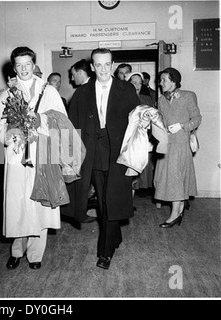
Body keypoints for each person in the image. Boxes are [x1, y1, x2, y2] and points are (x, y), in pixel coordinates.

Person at [0, 46, 67, 270]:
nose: (23, 69)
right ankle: (17, 249)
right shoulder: (6, 94)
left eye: (27, 64)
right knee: (18, 203)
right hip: (16, 153)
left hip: (42, 152)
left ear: (34, 65)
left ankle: (36, 254)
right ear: (13, 67)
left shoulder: (49, 91)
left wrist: (39, 120)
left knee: (39, 204)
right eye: (19, 65)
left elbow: (62, 121)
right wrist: (7, 135)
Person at [65, 48, 140, 270]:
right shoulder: (82, 93)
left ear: (113, 64)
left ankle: (105, 252)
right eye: (98, 65)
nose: (103, 69)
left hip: (118, 153)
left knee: (111, 199)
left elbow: (137, 124)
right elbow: (72, 128)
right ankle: (114, 237)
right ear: (92, 66)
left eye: (107, 64)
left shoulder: (125, 89)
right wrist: (70, 159)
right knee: (104, 201)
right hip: (93, 154)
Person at [154, 67, 202, 228]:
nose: (160, 83)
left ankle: (175, 215)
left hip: (181, 144)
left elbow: (197, 118)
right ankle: (179, 211)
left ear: (174, 81)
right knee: (167, 179)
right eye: (160, 80)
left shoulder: (188, 96)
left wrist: (182, 126)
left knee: (176, 179)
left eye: (164, 80)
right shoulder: (161, 100)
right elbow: (161, 121)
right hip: (166, 144)